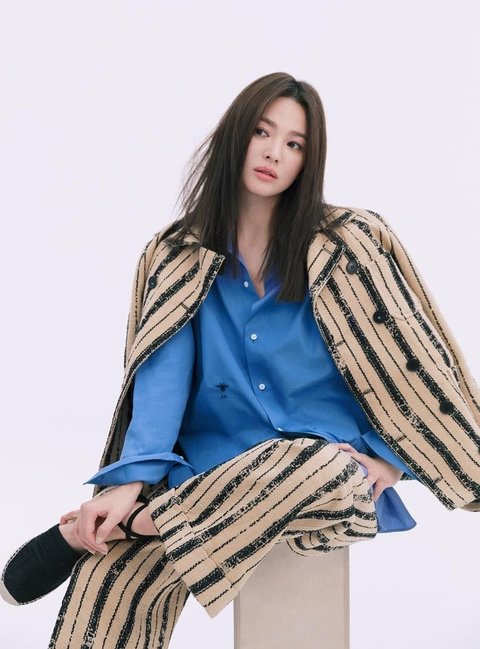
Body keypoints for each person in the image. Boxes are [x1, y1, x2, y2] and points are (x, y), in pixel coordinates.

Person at [2, 72, 479, 648]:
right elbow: (160, 384)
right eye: (262, 132)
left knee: (321, 464)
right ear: (236, 136)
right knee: (109, 593)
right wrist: (131, 481)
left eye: (295, 143)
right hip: (207, 479)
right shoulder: (177, 255)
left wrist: (392, 459)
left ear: (308, 161)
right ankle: (137, 524)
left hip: (322, 481)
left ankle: (137, 526)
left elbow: (410, 361)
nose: (275, 152)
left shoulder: (349, 243)